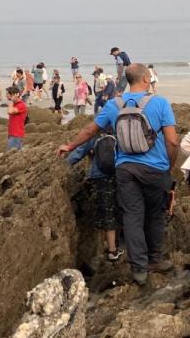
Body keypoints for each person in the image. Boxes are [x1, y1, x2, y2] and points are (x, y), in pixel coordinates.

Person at [58, 63, 177, 285]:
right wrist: (169, 166)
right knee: (155, 214)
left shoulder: (114, 104)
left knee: (132, 216)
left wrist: (70, 146)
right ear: (145, 79)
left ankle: (139, 268)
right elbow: (172, 140)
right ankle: (155, 260)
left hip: (125, 169)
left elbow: (90, 130)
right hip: (156, 169)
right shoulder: (160, 103)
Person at [67, 131, 124, 262]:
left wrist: (63, 164)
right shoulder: (119, 131)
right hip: (120, 176)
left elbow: (78, 153)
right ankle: (117, 245)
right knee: (119, 209)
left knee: (107, 212)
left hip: (99, 177)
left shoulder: (95, 134)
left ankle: (111, 249)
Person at [5, 86, 28, 150]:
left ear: (13, 95)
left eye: (7, 94)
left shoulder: (21, 105)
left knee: (10, 153)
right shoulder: (14, 104)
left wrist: (12, 100)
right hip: (12, 134)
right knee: (15, 154)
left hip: (16, 135)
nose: (6, 95)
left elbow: (10, 111)